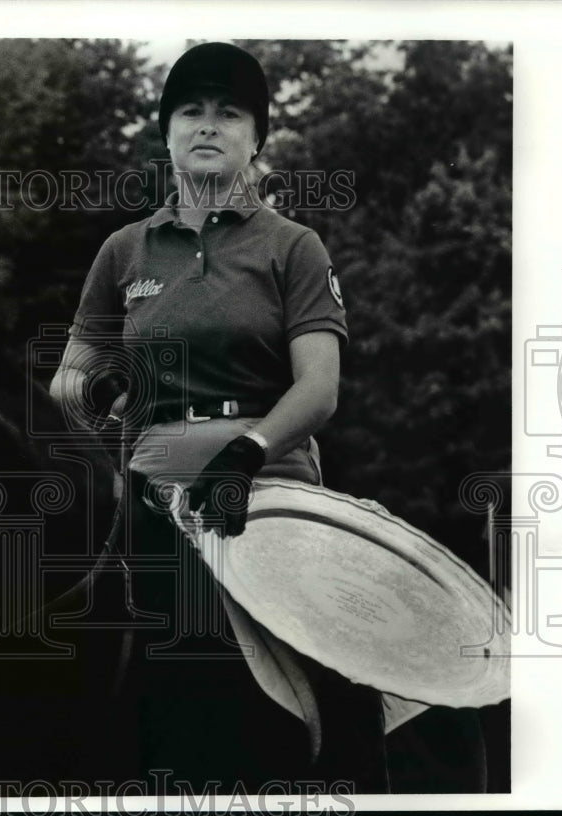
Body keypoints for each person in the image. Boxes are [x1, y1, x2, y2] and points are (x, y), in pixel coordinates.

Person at [50, 41, 387, 792]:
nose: (208, 126)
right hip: (150, 484)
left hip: (266, 487)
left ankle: (358, 780)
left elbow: (320, 389)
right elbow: (70, 377)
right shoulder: (122, 250)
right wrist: (93, 393)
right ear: (166, 131)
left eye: (228, 113)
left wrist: (248, 451)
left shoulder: (292, 247)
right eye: (190, 111)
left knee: (338, 654)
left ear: (256, 138)